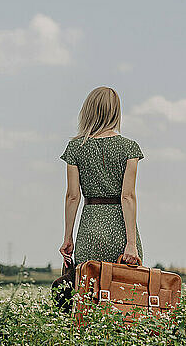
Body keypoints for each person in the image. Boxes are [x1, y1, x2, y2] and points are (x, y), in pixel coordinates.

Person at [59, 86, 144, 268]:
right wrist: (131, 244)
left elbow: (73, 196)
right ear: (115, 113)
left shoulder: (75, 147)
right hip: (120, 231)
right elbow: (127, 197)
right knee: (126, 291)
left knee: (87, 290)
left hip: (89, 229)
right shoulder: (130, 148)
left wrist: (68, 238)